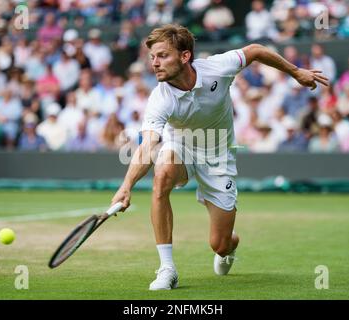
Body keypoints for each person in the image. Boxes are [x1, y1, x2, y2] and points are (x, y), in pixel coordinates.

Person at [110, 24, 328, 290]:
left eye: (163, 55)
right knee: (162, 174)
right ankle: (167, 269)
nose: (155, 64)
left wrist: (296, 72)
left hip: (219, 158)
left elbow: (256, 50)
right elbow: (148, 145)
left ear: (185, 56)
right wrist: (126, 185)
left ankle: (230, 245)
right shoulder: (160, 98)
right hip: (183, 148)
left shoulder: (217, 67)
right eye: (152, 57)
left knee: (220, 245)